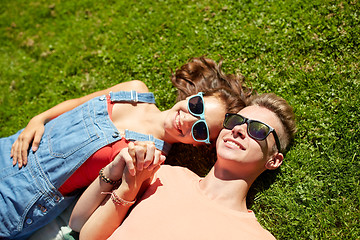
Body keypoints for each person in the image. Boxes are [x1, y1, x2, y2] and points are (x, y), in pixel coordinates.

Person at [0, 57, 250, 239]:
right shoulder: (134, 90)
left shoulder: (152, 160)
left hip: (20, 203)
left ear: (198, 144)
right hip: (10, 147)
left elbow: (82, 217)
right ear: (193, 96)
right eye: (196, 107)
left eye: (200, 129)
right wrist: (39, 119)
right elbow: (77, 103)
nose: (187, 120)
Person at [69, 92, 296, 240]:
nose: (239, 129)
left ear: (273, 160)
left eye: (257, 130)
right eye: (235, 121)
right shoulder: (162, 174)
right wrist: (123, 179)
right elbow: (82, 229)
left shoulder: (255, 237)